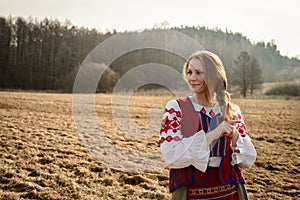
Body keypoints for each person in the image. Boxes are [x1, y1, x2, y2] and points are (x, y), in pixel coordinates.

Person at [159, 51, 256, 200]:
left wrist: (235, 135)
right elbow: (171, 156)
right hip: (191, 192)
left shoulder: (232, 110)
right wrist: (213, 134)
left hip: (231, 192)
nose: (192, 78)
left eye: (199, 72)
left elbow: (248, 160)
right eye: (189, 72)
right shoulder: (176, 108)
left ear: (215, 76)